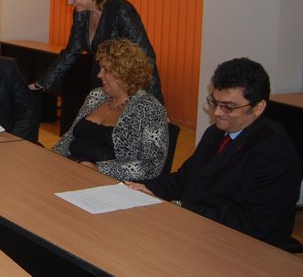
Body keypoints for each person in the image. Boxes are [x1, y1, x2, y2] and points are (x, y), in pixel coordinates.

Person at [127, 58, 302, 248]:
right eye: (215, 102)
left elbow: (250, 224)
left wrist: (178, 208)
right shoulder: (216, 133)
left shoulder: (275, 152)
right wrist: (146, 189)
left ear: (258, 108)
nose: (217, 112)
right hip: (197, 228)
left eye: (229, 107)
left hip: (241, 246)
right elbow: (184, 178)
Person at [34, 0, 163, 102]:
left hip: (125, 89)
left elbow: (146, 57)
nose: (69, 2)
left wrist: (154, 103)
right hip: (100, 85)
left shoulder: (120, 9)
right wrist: (42, 83)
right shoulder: (81, 14)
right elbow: (71, 52)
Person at [52, 39, 168, 181]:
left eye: (106, 70)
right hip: (71, 169)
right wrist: (52, 156)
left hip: (109, 182)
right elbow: (70, 136)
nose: (99, 75)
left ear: (125, 72)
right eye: (100, 68)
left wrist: (99, 169)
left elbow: (152, 165)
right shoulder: (96, 96)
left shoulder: (149, 108)